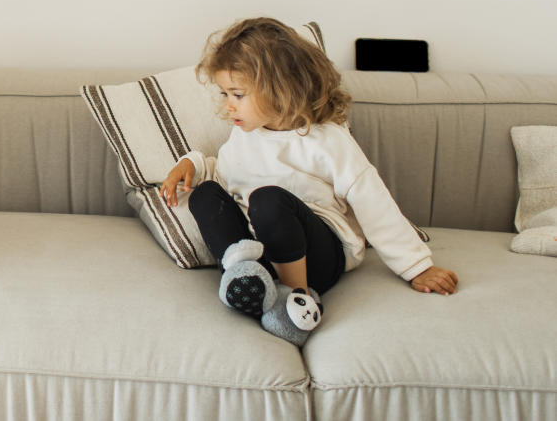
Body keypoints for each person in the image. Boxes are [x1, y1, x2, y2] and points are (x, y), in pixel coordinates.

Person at [160, 17, 458, 346]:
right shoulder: (244, 135)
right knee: (204, 196)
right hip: (263, 253)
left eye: (238, 94)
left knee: (267, 200)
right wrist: (191, 165)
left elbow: (372, 201)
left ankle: (297, 298)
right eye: (225, 93)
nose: (229, 105)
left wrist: (416, 266)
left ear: (280, 87)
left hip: (319, 254)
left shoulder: (326, 139)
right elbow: (228, 177)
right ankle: (246, 277)